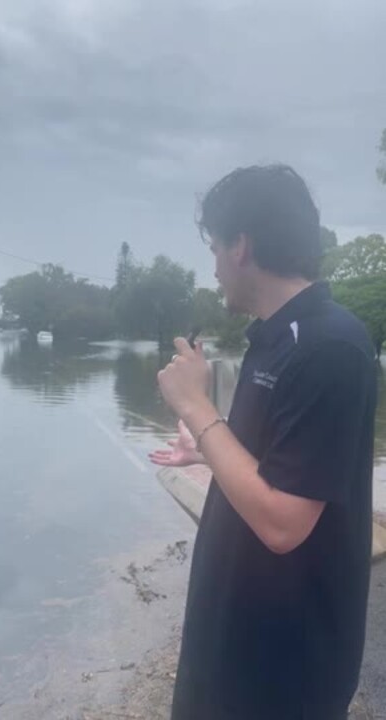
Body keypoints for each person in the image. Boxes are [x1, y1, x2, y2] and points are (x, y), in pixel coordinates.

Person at [149, 165, 377, 720]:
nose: (215, 268)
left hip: (284, 670)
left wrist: (197, 408)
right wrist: (204, 448)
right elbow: (275, 465)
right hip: (232, 642)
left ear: (241, 245)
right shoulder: (273, 339)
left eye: (215, 248)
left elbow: (282, 522)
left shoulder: (329, 346)